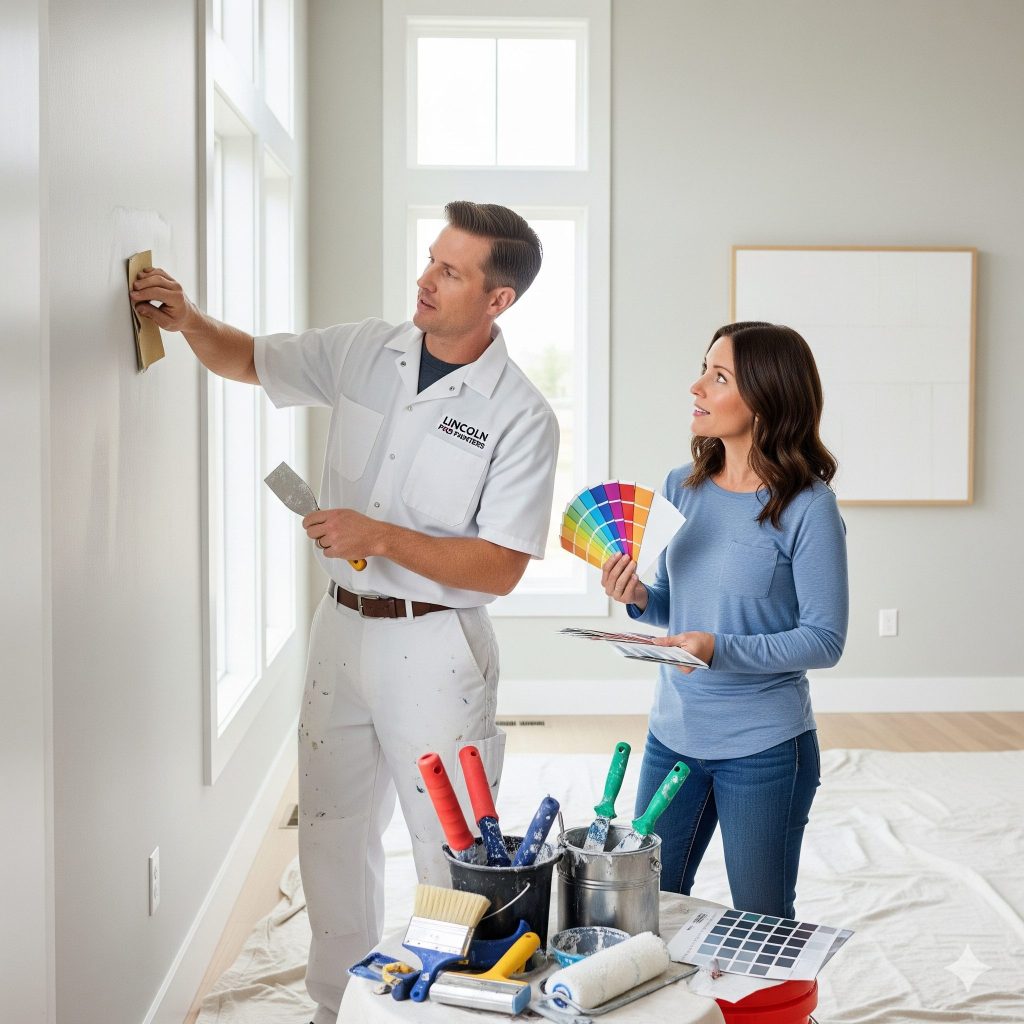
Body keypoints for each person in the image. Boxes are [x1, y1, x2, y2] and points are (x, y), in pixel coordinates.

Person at [131, 201, 559, 1024]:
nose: (425, 280)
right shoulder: (369, 348)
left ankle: (445, 1005)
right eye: (431, 259)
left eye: (450, 271)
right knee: (330, 830)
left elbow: (501, 566)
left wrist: (380, 534)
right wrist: (187, 322)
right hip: (341, 632)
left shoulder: (519, 415)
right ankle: (337, 1004)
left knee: (453, 851)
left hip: (435, 649)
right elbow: (251, 360)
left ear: (497, 300)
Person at [603, 321, 848, 920]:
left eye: (718, 377)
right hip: (673, 736)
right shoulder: (680, 487)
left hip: (764, 746)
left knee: (761, 921)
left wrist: (720, 649)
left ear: (765, 397)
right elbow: (678, 602)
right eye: (703, 370)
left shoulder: (808, 506)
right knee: (646, 909)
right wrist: (638, 597)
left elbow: (825, 639)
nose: (697, 387)